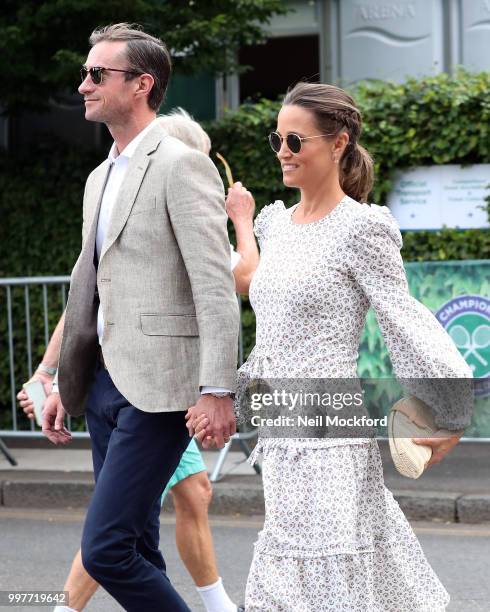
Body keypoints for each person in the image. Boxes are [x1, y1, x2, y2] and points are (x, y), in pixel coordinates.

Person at [189, 82, 473, 611]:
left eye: (295, 141)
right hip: (280, 424)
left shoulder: (363, 228)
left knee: (331, 570)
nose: (281, 152)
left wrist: (452, 408)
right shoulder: (277, 225)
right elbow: (252, 284)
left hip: (329, 424)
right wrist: (243, 223)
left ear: (338, 143)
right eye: (277, 139)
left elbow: (404, 318)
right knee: (294, 572)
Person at [37, 22, 240, 612]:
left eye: (97, 74)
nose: (83, 86)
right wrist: (56, 377)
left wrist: (217, 388)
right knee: (135, 547)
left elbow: (214, 287)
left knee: (104, 551)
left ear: (142, 84)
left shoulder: (180, 165)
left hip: (161, 389)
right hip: (101, 384)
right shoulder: (100, 175)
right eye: (85, 73)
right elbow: (88, 285)